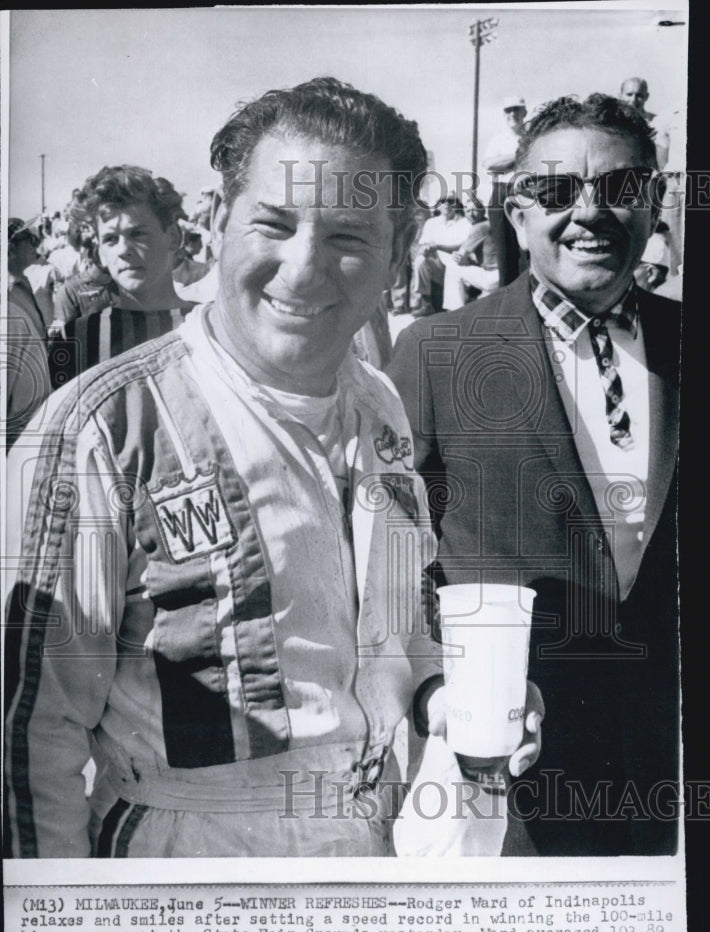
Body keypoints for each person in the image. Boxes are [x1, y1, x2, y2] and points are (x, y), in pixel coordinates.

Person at [4, 77, 542, 860]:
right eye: (275, 224)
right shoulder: (99, 430)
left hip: (373, 853)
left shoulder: (381, 408)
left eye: (349, 238)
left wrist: (447, 697)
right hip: (186, 879)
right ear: (218, 222)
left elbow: (400, 632)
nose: (302, 269)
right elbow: (26, 738)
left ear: (396, 253)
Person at [389, 93, 679, 856]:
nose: (590, 214)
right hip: (507, 760)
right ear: (516, 214)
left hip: (672, 767)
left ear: (654, 203)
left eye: (619, 190)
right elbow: (391, 549)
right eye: (556, 192)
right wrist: (442, 695)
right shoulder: (435, 352)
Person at [47, 166, 196, 389]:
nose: (123, 249)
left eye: (137, 234)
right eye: (110, 239)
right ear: (101, 254)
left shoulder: (208, 325)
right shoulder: (76, 339)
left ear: (174, 237)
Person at [5, 218, 52, 448]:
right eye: (28, 239)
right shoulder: (7, 299)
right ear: (10, 249)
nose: (35, 243)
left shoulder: (22, 283)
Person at [482, 96, 527, 287]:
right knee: (504, 252)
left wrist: (504, 162)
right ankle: (508, 301)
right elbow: (489, 165)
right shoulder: (498, 140)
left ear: (524, 112)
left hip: (526, 191)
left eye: (516, 109)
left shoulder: (532, 138)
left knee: (529, 249)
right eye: (508, 110)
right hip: (501, 192)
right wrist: (519, 156)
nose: (512, 114)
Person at [409, 193, 472, 317]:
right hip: (439, 267)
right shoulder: (431, 223)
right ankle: (427, 304)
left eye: (451, 201)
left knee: (455, 265)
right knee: (420, 260)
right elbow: (424, 243)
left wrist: (438, 246)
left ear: (456, 205)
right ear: (438, 206)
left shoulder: (464, 222)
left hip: (458, 264)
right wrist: (425, 249)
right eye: (443, 201)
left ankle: (458, 308)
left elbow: (465, 244)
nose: (447, 204)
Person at [442, 198, 498, 309]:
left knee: (452, 267)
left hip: (493, 278)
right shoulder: (488, 224)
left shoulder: (479, 227)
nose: (471, 214)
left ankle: (455, 311)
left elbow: (460, 258)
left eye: (475, 210)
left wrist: (457, 256)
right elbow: (463, 246)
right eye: (468, 211)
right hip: (501, 275)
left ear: (483, 210)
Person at [619, 77, 671, 169]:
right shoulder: (613, 122)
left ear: (646, 97)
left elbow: (664, 161)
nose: (633, 99)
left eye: (639, 95)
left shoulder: (657, 122)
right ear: (620, 96)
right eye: (629, 94)